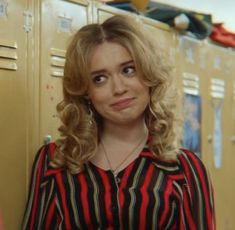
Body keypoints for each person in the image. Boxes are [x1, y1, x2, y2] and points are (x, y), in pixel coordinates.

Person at [22, 15, 215, 229]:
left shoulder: (185, 170)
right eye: (100, 78)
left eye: (128, 70)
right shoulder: (55, 161)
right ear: (86, 92)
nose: (119, 88)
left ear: (149, 75)